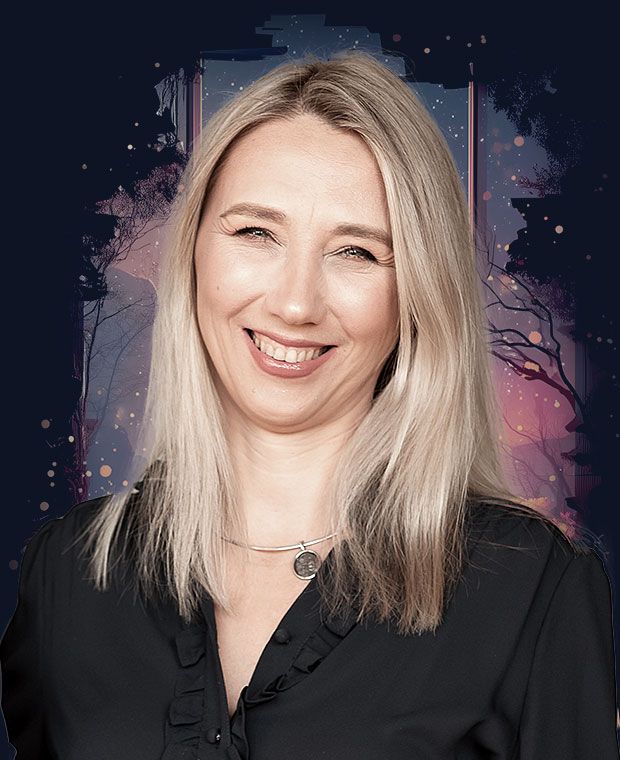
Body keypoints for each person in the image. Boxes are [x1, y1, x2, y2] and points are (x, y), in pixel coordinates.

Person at [1, 49, 618, 760]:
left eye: (356, 251)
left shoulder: (532, 590)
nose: (295, 304)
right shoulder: (68, 576)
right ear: (194, 252)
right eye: (256, 233)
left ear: (418, 292)